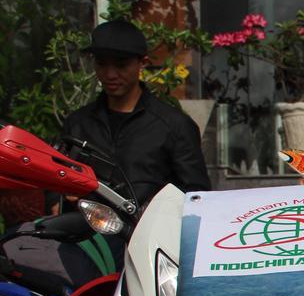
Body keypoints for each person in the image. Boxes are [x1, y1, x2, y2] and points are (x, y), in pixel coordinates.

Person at [61, 19, 210, 206]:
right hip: (86, 231)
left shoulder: (175, 126)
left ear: (143, 63)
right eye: (101, 64)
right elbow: (56, 180)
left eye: (121, 65)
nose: (110, 74)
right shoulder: (77, 123)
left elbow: (197, 198)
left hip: (151, 232)